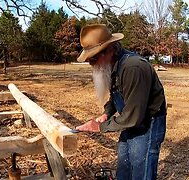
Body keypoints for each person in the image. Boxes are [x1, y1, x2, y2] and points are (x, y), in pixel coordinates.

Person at [75, 24, 166, 180]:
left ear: (109, 49)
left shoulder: (133, 68)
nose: (92, 64)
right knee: (124, 168)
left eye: (94, 58)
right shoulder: (112, 65)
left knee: (140, 170)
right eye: (89, 60)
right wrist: (107, 113)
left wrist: (100, 127)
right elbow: (117, 95)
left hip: (147, 123)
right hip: (129, 120)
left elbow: (134, 115)